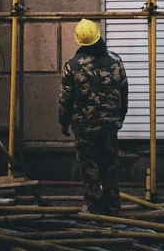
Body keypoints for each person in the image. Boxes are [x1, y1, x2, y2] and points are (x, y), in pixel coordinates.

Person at [58, 18, 128, 215]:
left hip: (85, 128)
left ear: (80, 41)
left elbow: (65, 98)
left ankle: (95, 209)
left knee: (89, 167)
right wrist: (120, 116)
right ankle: (113, 208)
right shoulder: (115, 60)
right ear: (98, 36)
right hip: (109, 126)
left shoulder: (72, 66)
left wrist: (63, 122)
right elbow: (124, 91)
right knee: (110, 166)